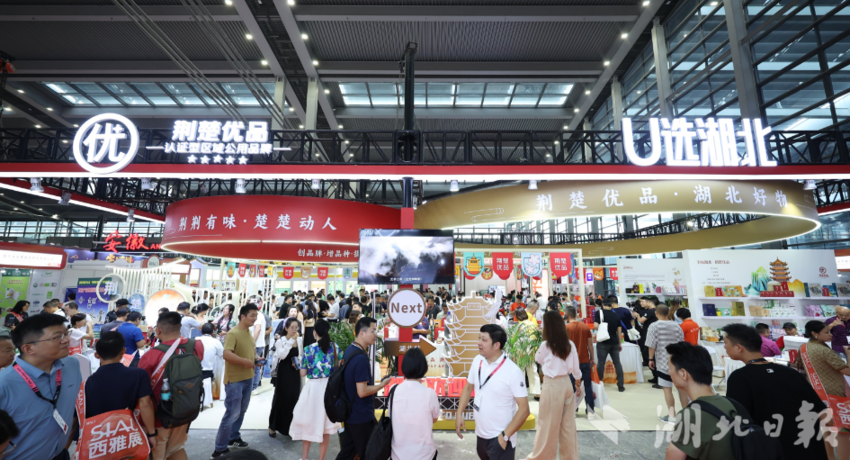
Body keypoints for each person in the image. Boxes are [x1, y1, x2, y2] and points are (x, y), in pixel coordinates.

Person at [722, 323, 829, 460]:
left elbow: (738, 420)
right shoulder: (790, 372)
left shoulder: (739, 378)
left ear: (738, 347)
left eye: (726, 343)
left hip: (770, 449)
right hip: (807, 447)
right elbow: (820, 411)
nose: (724, 347)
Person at [0, 314, 83, 460]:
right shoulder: (4, 383)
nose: (66, 340)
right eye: (56, 337)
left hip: (60, 454)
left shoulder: (72, 365)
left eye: (66, 333)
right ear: (29, 348)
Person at [456, 324, 530, 460]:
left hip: (500, 439)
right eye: (479, 338)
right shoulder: (477, 361)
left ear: (496, 345)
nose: (479, 343)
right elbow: (468, 388)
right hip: (481, 436)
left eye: (484, 340)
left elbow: (524, 409)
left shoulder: (512, 372)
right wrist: (459, 412)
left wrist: (504, 436)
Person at [138, 312, 205, 460]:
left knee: (157, 452)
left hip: (159, 417)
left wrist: (150, 432)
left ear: (159, 330)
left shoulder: (150, 355)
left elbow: (144, 398)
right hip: (184, 411)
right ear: (180, 328)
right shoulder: (196, 346)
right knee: (177, 448)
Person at [522, 310, 581, 460]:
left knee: (547, 424)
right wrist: (578, 382)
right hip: (567, 383)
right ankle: (570, 457)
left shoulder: (546, 345)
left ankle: (541, 457)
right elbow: (576, 368)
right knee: (568, 425)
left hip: (552, 385)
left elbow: (538, 359)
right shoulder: (570, 344)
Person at [84, 331, 157, 448]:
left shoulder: (86, 382)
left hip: (97, 438)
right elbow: (146, 405)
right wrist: (152, 433)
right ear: (123, 351)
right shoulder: (138, 374)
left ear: (96, 355)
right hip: (126, 433)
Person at [665, 342, 737, 460]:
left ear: (683, 374)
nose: (669, 372)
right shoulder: (732, 404)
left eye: (670, 368)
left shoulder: (691, 415)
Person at [336, 317, 392, 460]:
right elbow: (362, 391)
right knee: (369, 454)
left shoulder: (350, 349)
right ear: (362, 333)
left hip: (351, 413)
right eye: (373, 331)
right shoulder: (360, 358)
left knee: (348, 451)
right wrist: (382, 385)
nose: (376, 335)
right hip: (360, 415)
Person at [797, 320, 850, 459]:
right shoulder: (823, 350)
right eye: (826, 332)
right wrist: (849, 355)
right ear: (815, 334)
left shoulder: (804, 348)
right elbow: (848, 371)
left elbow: (800, 369)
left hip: (816, 393)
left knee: (826, 429)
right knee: (842, 431)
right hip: (834, 395)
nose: (830, 335)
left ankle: (830, 458)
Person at [212, 304, 259, 458]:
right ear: (243, 316)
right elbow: (226, 354)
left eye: (255, 315)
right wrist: (245, 362)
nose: (255, 318)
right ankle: (219, 448)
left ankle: (233, 437)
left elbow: (250, 350)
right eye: (252, 315)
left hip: (248, 377)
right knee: (232, 413)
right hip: (235, 381)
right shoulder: (233, 333)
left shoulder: (248, 332)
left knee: (241, 412)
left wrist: (256, 358)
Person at [290, 320, 340, 460]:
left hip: (313, 389)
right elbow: (339, 368)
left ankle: (304, 458)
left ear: (314, 333)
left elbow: (303, 373)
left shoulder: (308, 349)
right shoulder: (335, 348)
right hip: (329, 388)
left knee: (308, 422)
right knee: (325, 426)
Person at [390, 347, 440, 460]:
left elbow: (390, 416)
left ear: (404, 367)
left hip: (398, 454)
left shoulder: (393, 390)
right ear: (423, 367)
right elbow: (434, 418)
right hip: (425, 454)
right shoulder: (429, 393)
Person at [646, 304, 686, 423]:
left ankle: (672, 415)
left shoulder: (654, 326)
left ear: (656, 313)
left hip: (663, 362)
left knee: (667, 389)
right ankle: (687, 416)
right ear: (669, 313)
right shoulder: (677, 326)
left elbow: (651, 345)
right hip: (678, 362)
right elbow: (682, 343)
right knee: (682, 389)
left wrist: (650, 359)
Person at [269, 318, 302, 438]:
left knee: (294, 398)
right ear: (286, 328)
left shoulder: (299, 339)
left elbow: (301, 354)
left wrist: (298, 361)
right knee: (280, 398)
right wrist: (290, 342)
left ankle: (290, 428)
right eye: (292, 327)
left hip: (294, 372)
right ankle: (273, 426)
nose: (294, 330)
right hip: (283, 372)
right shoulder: (280, 341)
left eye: (296, 327)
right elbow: (282, 355)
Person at [564, 306, 595, 419]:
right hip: (585, 360)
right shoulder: (585, 327)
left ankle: (573, 409)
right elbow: (590, 345)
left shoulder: (566, 328)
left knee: (571, 386)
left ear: (567, 315)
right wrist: (592, 358)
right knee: (587, 386)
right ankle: (590, 411)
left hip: (571, 363)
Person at [593, 296, 625, 392]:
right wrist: (619, 344)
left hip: (603, 342)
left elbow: (595, 326)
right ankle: (620, 385)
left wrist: (602, 331)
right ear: (611, 305)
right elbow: (619, 332)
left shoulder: (599, 313)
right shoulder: (616, 316)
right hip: (614, 342)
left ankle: (599, 383)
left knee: (601, 363)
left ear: (603, 305)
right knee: (617, 363)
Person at [515, 310, 540, 398]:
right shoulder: (532, 323)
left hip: (521, 349)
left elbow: (515, 338)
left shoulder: (519, 325)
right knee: (533, 370)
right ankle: (538, 393)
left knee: (521, 371)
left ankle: (521, 392)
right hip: (532, 349)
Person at [633, 297, 658, 384]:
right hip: (649, 334)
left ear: (649, 302)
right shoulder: (655, 311)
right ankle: (656, 377)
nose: (641, 304)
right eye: (640, 302)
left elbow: (640, 320)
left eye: (643, 302)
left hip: (649, 336)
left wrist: (636, 315)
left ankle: (657, 377)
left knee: (649, 355)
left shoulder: (650, 311)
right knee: (649, 355)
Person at [251, 306, 268, 394]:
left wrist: (252, 343)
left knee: (255, 366)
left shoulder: (257, 316)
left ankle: (254, 387)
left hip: (256, 345)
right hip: (257, 344)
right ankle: (254, 386)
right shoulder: (260, 315)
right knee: (255, 366)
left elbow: (257, 330)